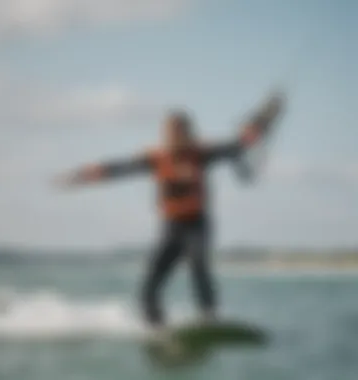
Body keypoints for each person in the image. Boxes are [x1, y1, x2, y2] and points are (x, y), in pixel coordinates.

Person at [54, 95, 283, 333]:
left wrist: (264, 119)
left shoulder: (200, 154)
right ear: (166, 134)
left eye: (181, 132)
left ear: (189, 133)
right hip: (171, 228)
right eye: (172, 132)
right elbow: (116, 169)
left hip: (197, 225)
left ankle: (209, 319)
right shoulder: (157, 158)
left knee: (198, 265)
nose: (177, 137)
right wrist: (77, 176)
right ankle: (157, 328)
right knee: (150, 284)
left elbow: (239, 145)